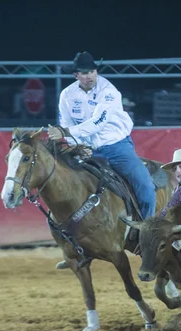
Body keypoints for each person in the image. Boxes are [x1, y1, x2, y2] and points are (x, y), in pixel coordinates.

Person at [49, 51, 155, 269]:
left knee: (144, 183)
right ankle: (72, 246)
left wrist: (66, 133)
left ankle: (148, 237)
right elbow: (67, 124)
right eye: (84, 73)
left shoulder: (109, 92)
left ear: (96, 72)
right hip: (83, 147)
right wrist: (77, 145)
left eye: (92, 72)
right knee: (62, 184)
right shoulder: (67, 96)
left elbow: (97, 123)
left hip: (115, 146)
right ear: (76, 75)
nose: (89, 76)